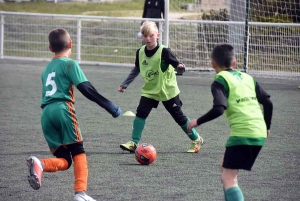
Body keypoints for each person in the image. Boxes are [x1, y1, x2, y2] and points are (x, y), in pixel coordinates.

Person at [26, 28, 121, 201]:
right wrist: (110, 106)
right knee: (78, 151)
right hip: (63, 109)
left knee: (65, 159)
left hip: (46, 114)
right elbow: (86, 88)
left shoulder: (46, 69)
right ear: (70, 44)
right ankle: (80, 193)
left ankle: (40, 164)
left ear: (50, 48)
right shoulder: (70, 64)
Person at [187, 43, 273, 200]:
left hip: (242, 134)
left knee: (228, 178)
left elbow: (219, 108)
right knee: (225, 168)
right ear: (234, 63)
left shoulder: (220, 80)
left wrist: (196, 122)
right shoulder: (248, 78)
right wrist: (267, 127)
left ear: (213, 64)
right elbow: (268, 103)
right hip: (259, 132)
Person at [118, 21, 204, 153]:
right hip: (150, 90)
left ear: (157, 35)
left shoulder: (164, 51)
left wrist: (180, 67)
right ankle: (134, 143)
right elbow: (137, 69)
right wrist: (125, 84)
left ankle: (196, 139)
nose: (148, 39)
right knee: (141, 113)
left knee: (179, 117)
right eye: (145, 36)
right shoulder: (140, 52)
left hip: (167, 91)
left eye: (151, 35)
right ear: (142, 36)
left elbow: (177, 64)